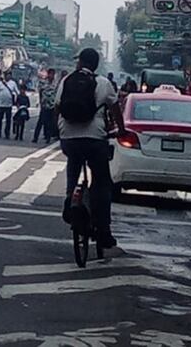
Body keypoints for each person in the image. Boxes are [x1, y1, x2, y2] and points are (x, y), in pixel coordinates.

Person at [57, 48, 122, 249]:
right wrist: (122, 130)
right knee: (102, 182)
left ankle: (70, 198)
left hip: (69, 139)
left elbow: (57, 107)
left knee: (73, 162)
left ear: (80, 63)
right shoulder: (104, 84)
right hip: (95, 140)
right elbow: (116, 111)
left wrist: (60, 133)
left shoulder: (66, 80)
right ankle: (104, 231)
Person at [33, 68, 58, 144]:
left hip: (52, 105)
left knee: (50, 123)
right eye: (51, 74)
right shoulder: (43, 83)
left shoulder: (55, 84)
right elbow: (40, 92)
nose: (52, 76)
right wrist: (40, 102)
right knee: (40, 122)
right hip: (44, 105)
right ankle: (35, 137)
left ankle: (48, 137)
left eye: (53, 74)